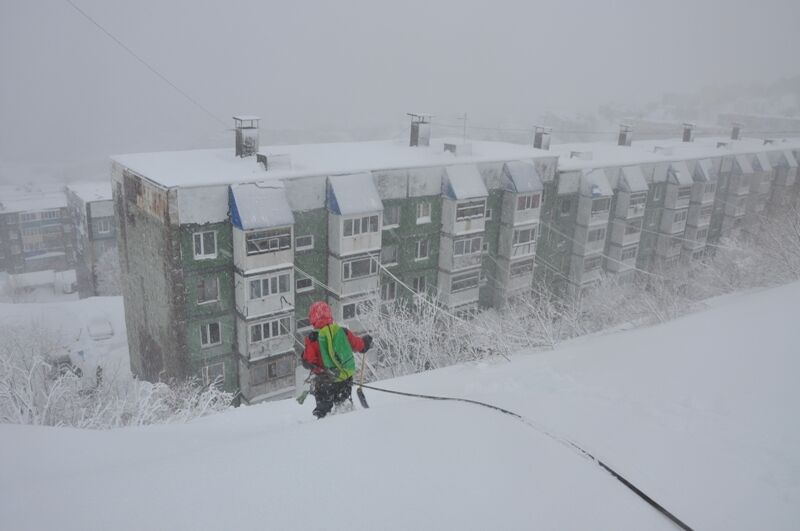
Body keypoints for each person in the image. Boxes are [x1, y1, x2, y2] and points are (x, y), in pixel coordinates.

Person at [300, 301, 372, 418]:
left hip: (325, 381)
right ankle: (346, 420)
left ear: (312, 318)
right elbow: (358, 345)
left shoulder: (312, 339)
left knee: (324, 409)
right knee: (343, 404)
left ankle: (323, 421)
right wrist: (365, 343)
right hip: (344, 378)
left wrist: (304, 358)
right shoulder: (342, 332)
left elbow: (309, 361)